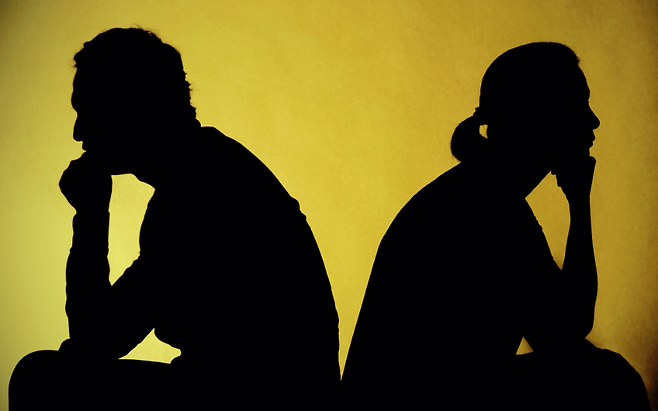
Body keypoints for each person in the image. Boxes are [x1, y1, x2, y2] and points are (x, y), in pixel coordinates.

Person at [9, 27, 339, 409]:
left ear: (129, 105)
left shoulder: (201, 187)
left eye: (88, 110)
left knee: (42, 379)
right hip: (247, 389)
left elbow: (96, 340)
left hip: (260, 396)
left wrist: (90, 215)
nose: (78, 132)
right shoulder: (203, 172)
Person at [341, 42, 650, 409]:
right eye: (579, 104)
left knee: (602, 373)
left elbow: (557, 329)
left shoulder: (483, 193)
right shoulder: (488, 205)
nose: (593, 120)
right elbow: (567, 326)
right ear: (542, 115)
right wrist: (580, 203)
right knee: (609, 380)